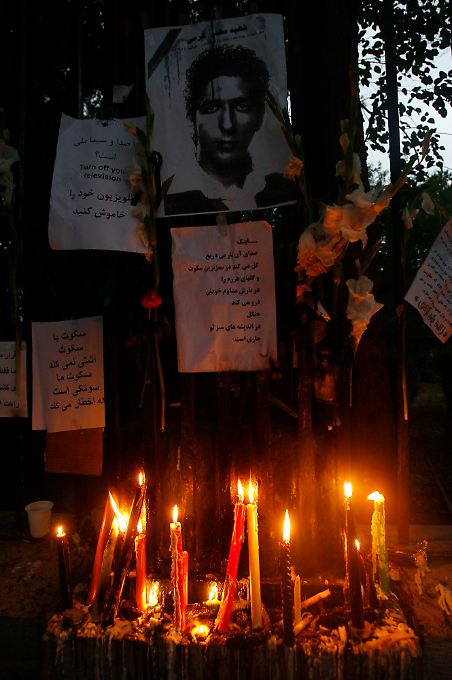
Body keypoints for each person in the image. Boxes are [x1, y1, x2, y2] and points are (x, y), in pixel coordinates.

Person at [162, 44, 297, 215]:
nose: (227, 125)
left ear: (260, 115)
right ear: (192, 118)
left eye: (241, 107)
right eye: (212, 108)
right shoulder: (167, 196)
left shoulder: (282, 188)